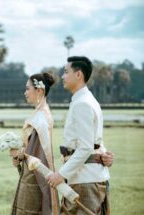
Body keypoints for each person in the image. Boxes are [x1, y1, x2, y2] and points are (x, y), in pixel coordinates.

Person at [47, 56, 114, 215]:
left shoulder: (82, 103)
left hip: (84, 180)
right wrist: (103, 154)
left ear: (78, 75)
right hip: (89, 177)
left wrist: (61, 174)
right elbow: (94, 141)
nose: (62, 76)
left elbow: (85, 147)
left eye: (65, 72)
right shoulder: (88, 100)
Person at [10, 72, 59, 215]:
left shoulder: (41, 118)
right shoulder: (41, 114)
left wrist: (18, 154)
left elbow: (35, 152)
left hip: (35, 178)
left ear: (39, 90)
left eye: (27, 88)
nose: (25, 92)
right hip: (34, 174)